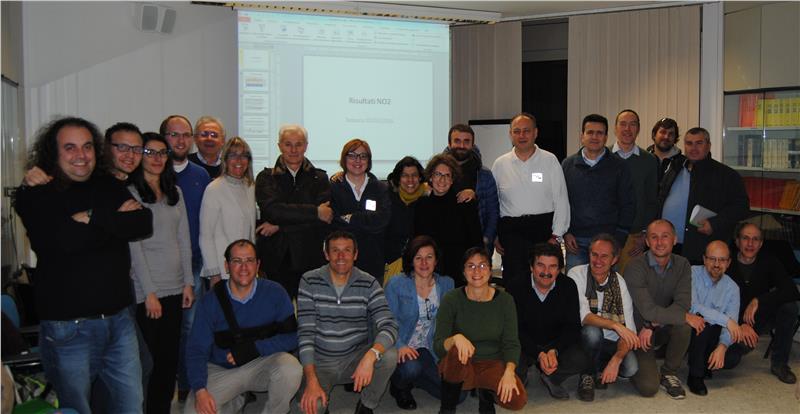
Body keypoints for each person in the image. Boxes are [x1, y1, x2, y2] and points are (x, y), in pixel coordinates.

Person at [13, 117, 153, 413]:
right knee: (76, 408)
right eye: (70, 147)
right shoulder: (35, 193)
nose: (81, 155)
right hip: (68, 328)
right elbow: (64, 241)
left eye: (87, 146)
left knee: (132, 405)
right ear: (53, 152)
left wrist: (90, 217)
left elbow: (142, 222)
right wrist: (114, 223)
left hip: (119, 320)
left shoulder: (107, 184)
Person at [184, 239, 301, 414]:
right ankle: (236, 400)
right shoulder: (210, 301)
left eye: (249, 260)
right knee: (194, 411)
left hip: (262, 363)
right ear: (226, 266)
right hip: (221, 369)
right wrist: (200, 390)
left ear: (258, 265)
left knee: (291, 368)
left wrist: (255, 348)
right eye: (237, 261)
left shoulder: (275, 292)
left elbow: (293, 336)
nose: (244, 267)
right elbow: (196, 349)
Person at [127, 132, 194, 413]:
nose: (157, 158)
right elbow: (135, 248)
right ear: (140, 156)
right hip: (149, 291)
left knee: (169, 360)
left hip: (176, 287)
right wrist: (149, 293)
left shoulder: (174, 192)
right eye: (150, 152)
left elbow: (184, 239)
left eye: (162, 153)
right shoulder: (131, 193)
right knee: (150, 361)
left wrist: (188, 283)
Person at [297, 231, 398, 414]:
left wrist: (371, 355)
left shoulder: (369, 282)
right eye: (335, 250)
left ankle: (367, 404)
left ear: (355, 254)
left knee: (389, 355)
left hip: (355, 358)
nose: (341, 256)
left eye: (347, 250)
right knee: (313, 408)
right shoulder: (309, 280)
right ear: (326, 254)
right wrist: (311, 380)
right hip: (321, 362)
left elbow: (389, 324)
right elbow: (305, 333)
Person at [434, 247, 526, 413]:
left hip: (492, 363)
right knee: (456, 349)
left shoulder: (505, 300)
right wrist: (455, 338)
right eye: (471, 266)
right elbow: (438, 345)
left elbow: (511, 343)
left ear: (490, 271)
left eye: (482, 265)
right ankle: (447, 407)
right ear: (463, 272)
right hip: (461, 363)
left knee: (517, 400)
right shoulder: (451, 299)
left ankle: (485, 394)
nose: (477, 271)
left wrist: (509, 372)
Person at [159, 114, 212, 401]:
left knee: (191, 327)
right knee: (166, 327)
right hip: (161, 265)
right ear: (163, 138)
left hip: (194, 262)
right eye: (174, 134)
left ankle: (186, 382)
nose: (181, 140)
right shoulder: (154, 171)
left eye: (185, 135)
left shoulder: (200, 175)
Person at [491, 113, 570, 292]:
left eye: (526, 131)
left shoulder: (550, 160)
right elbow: (494, 203)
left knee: (544, 283)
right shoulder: (500, 164)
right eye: (517, 131)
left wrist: (556, 236)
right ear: (510, 134)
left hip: (543, 231)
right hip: (511, 233)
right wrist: (496, 234)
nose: (522, 135)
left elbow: (561, 199)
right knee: (514, 283)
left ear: (535, 133)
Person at [509, 243, 593, 402]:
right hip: (525, 344)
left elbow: (572, 326)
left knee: (582, 358)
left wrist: (555, 350)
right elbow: (513, 329)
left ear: (559, 269)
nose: (546, 272)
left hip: (554, 344)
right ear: (531, 267)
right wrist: (538, 354)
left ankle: (552, 378)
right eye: (540, 265)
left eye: (552, 266)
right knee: (509, 361)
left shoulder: (568, 286)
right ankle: (522, 375)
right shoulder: (515, 286)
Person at [255, 124, 332, 298]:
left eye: (298, 144)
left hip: (311, 258)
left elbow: (324, 219)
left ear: (306, 146)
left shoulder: (319, 178)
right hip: (276, 259)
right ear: (279, 146)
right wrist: (315, 212)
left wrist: (280, 226)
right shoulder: (266, 178)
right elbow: (273, 211)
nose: (293, 150)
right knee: (279, 311)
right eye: (288, 144)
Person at [659, 127, 750, 263]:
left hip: (699, 249)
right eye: (689, 143)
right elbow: (660, 199)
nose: (693, 148)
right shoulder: (675, 168)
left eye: (699, 143)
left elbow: (741, 207)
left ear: (708, 145)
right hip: (668, 245)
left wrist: (715, 223)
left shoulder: (726, 175)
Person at [384, 236, 455, 409]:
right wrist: (400, 345)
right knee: (411, 369)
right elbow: (386, 321)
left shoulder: (447, 284)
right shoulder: (396, 284)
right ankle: (399, 386)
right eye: (418, 258)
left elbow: (450, 321)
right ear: (411, 261)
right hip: (403, 345)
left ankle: (417, 379)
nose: (424, 263)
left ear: (436, 260)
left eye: (429, 257)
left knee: (457, 396)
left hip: (429, 349)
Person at [624, 219, 692, 399]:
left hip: (655, 327)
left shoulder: (683, 264)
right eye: (654, 237)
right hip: (638, 331)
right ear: (647, 241)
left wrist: (652, 325)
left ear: (674, 239)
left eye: (665, 236)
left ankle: (669, 372)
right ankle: (629, 360)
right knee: (648, 388)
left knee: (684, 325)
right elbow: (647, 310)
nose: (660, 242)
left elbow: (683, 304)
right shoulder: (635, 266)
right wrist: (649, 324)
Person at [726, 223, 800, 384]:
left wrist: (759, 300)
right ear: (737, 241)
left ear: (760, 244)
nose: (750, 244)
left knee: (789, 307)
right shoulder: (726, 262)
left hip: (760, 318)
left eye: (755, 239)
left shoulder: (769, 260)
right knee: (728, 362)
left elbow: (792, 291)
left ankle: (780, 364)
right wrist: (740, 325)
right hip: (733, 322)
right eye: (745, 238)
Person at [561, 114, 635, 272]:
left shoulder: (620, 166)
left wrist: (619, 239)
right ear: (582, 136)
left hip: (608, 242)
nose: (594, 137)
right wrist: (566, 233)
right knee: (576, 285)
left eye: (600, 133)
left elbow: (628, 204)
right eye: (590, 132)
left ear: (606, 137)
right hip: (576, 242)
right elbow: (561, 203)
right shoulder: (567, 165)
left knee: (606, 286)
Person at [567, 234, 640, 390]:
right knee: (593, 332)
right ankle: (588, 374)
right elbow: (584, 316)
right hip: (584, 338)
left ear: (614, 260)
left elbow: (629, 331)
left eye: (604, 256)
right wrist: (615, 325)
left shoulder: (619, 282)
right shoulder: (576, 274)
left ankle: (599, 364)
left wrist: (616, 359)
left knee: (631, 369)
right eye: (594, 254)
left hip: (610, 343)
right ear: (589, 254)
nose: (598, 260)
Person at [200, 136, 268, 287]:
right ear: (225, 159)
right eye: (233, 155)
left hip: (246, 270)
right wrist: (214, 273)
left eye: (244, 155)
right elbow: (206, 236)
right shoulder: (214, 189)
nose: (239, 160)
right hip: (222, 270)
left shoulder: (250, 187)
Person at [413, 154, 483, 285]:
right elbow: (415, 242)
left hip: (459, 274)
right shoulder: (421, 206)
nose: (442, 179)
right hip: (428, 274)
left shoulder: (465, 204)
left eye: (447, 175)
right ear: (431, 177)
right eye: (438, 174)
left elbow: (476, 244)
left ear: (452, 180)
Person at [329, 139, 391, 281]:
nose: (358, 160)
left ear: (369, 160)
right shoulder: (333, 188)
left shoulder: (381, 188)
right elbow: (334, 223)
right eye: (352, 155)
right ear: (344, 159)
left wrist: (350, 218)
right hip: (341, 263)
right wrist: (367, 222)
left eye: (363, 156)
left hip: (373, 263)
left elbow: (382, 221)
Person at [686, 241, 742, 396]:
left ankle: (705, 362)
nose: (717, 264)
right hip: (690, 326)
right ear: (704, 259)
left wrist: (722, 346)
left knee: (732, 357)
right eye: (712, 259)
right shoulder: (691, 273)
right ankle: (695, 375)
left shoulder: (733, 288)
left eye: (722, 260)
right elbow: (693, 306)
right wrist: (726, 320)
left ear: (728, 263)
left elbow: (732, 324)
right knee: (702, 324)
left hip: (714, 332)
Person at [611, 110, 659, 272]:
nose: (627, 129)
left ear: (638, 129)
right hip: (606, 234)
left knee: (631, 282)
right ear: (615, 128)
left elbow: (652, 200)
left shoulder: (649, 160)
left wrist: (645, 234)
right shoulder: (604, 156)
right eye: (623, 124)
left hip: (635, 238)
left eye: (632, 124)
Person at [443, 124, 499, 251]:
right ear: (449, 144)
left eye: (466, 141)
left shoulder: (484, 175)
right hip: (445, 245)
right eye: (457, 141)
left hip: (476, 245)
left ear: (472, 145)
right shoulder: (437, 173)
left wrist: (486, 239)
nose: (462, 146)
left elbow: (493, 212)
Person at [384, 156, 428, 282]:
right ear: (398, 178)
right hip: (391, 264)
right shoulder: (386, 199)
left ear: (420, 177)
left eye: (414, 175)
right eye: (405, 175)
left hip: (421, 267)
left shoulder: (427, 199)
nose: (410, 180)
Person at [645, 117, 682, 182]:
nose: (666, 137)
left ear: (675, 138)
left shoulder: (682, 164)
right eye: (663, 132)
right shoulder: (643, 160)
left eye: (671, 134)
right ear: (654, 135)